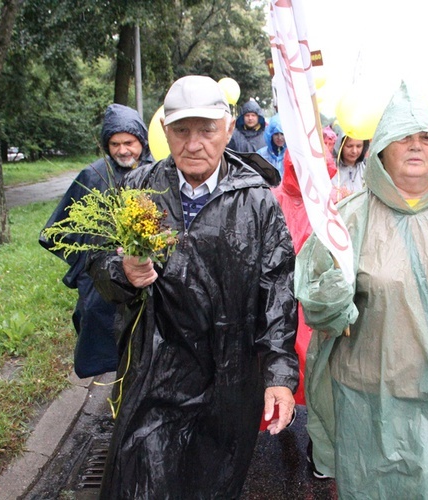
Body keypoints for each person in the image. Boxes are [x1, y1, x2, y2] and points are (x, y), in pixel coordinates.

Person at [87, 75, 298, 499]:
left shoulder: (256, 200)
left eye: (206, 129)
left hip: (230, 376)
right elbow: (98, 264)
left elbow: (276, 289)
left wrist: (278, 374)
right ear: (165, 131)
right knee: (142, 479)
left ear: (228, 125)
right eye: (182, 130)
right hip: (156, 371)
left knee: (212, 483)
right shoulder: (138, 189)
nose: (194, 143)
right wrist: (122, 272)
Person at [296, 81, 428, 498]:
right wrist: (332, 297)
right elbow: (314, 303)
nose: (415, 146)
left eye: (426, 137)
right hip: (367, 400)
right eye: (402, 137)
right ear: (382, 149)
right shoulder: (348, 219)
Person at [40, 103, 154, 378]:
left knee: (146, 341)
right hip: (101, 281)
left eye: (129, 142)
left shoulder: (158, 171)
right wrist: (84, 265)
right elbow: (56, 231)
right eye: (115, 143)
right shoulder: (92, 176)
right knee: (106, 338)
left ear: (141, 140)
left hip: (148, 276)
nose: (123, 150)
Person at [331, 132, 369, 200]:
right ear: (340, 146)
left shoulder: (366, 169)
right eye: (349, 146)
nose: (354, 151)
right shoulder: (331, 168)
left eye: (359, 146)